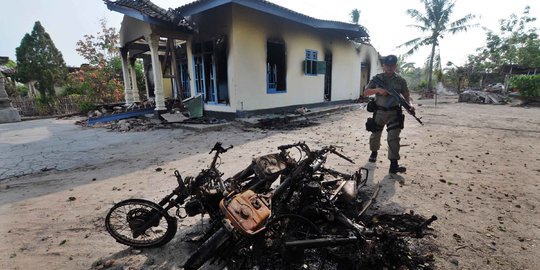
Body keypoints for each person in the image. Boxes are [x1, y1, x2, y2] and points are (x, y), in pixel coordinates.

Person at [364, 55, 414, 174]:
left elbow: (406, 95)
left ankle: (393, 163)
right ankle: (374, 152)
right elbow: (365, 92)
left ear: (395, 66)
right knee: (375, 135)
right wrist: (378, 90)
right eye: (387, 65)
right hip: (379, 112)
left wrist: (410, 105)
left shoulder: (400, 80)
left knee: (393, 137)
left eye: (392, 65)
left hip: (394, 112)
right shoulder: (377, 78)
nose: (390, 67)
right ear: (383, 66)